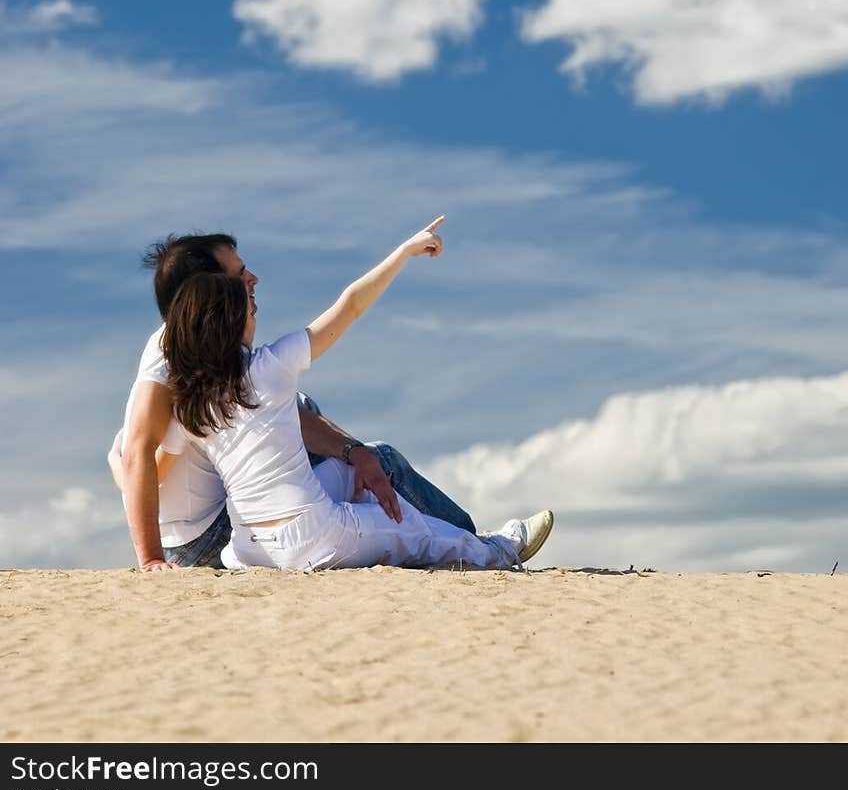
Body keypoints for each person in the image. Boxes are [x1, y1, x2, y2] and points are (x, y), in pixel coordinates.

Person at [160, 217, 554, 572]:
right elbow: (350, 306)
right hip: (313, 539)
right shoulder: (272, 367)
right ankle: (501, 550)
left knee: (357, 468)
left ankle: (391, 517)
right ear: (232, 323)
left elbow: (148, 461)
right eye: (249, 310)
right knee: (413, 530)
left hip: (246, 549)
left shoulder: (190, 401)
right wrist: (403, 252)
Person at [113, 230, 478, 571]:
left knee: (325, 432)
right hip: (208, 536)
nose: (253, 279)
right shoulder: (166, 357)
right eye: (240, 273)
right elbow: (139, 455)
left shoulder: (202, 346)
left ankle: (435, 541)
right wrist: (150, 559)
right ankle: (470, 545)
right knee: (378, 460)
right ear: (209, 289)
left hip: (231, 529)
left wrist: (352, 450)